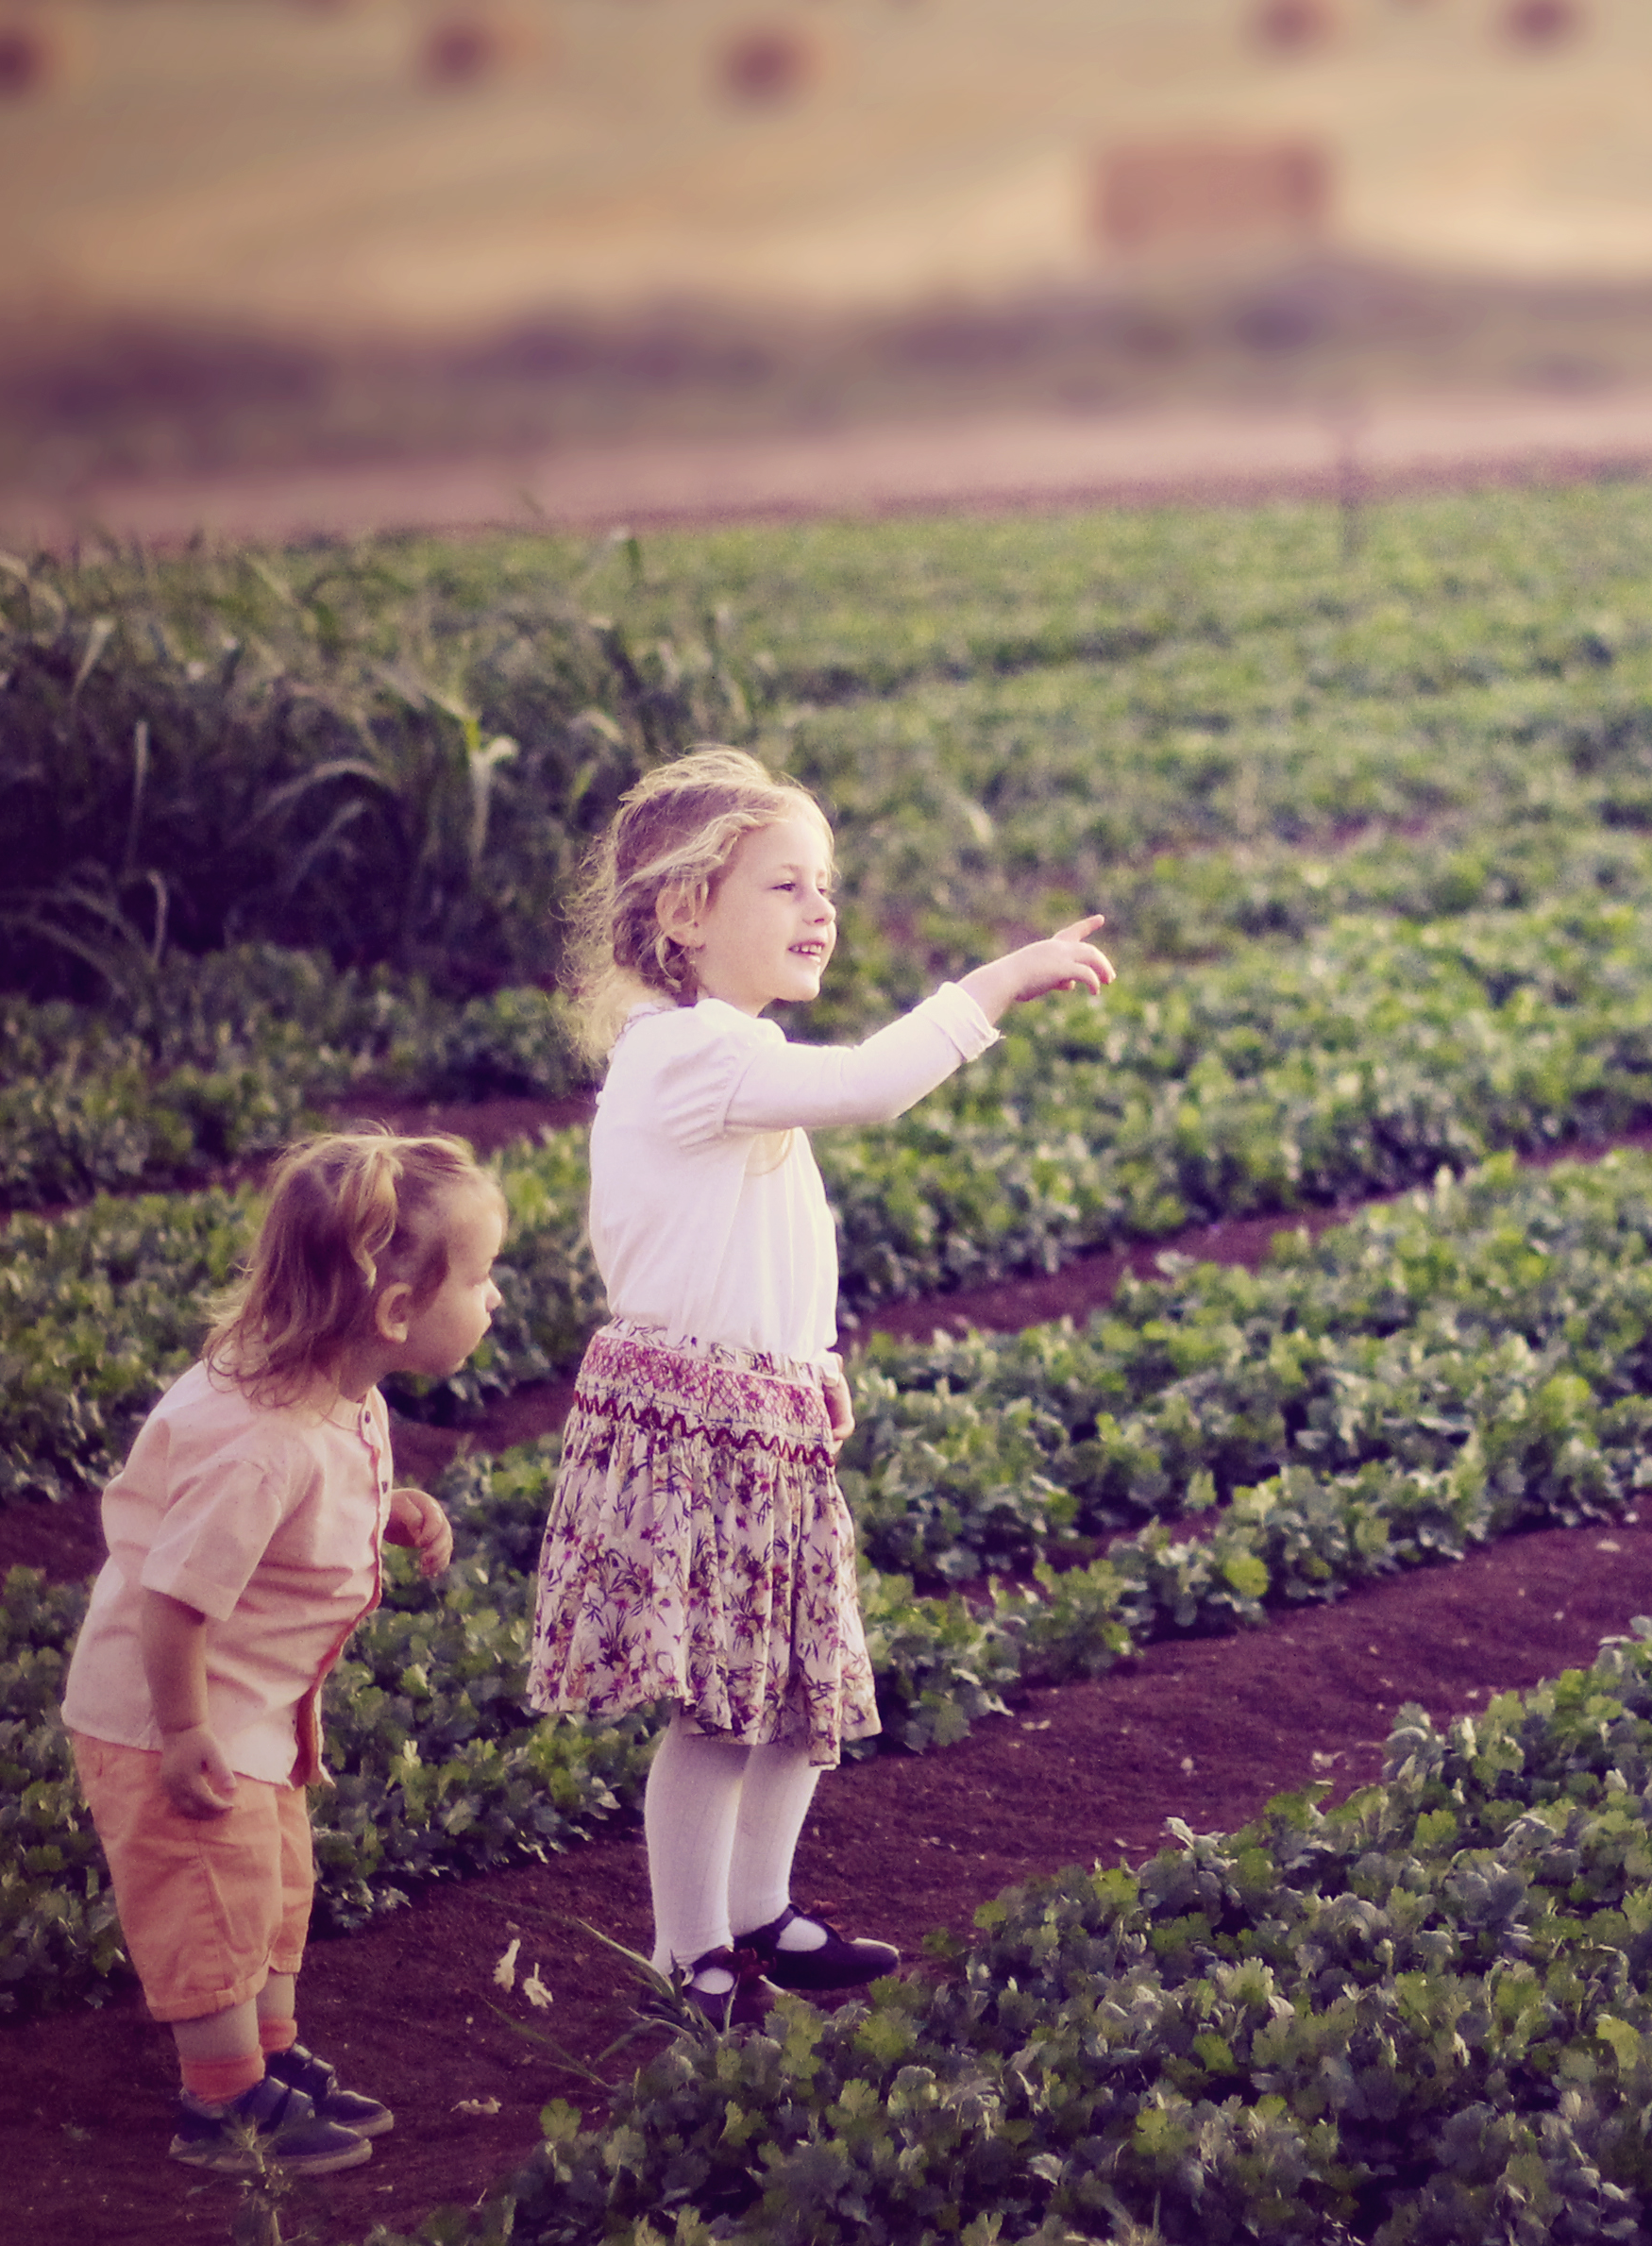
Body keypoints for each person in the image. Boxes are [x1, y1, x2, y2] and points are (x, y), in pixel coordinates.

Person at [529, 747, 1114, 2031]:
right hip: (695, 1430)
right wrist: (1001, 980)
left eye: (826, 887)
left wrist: (815, 1361)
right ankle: (695, 1955)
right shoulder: (689, 1054)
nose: (821, 911)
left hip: (767, 1418)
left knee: (797, 1693)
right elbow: (872, 1085)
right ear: (686, 914)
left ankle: (761, 1917)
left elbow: (772, 1243)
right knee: (721, 1710)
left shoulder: (735, 1053)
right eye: (785, 886)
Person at [63, 1129, 502, 2172]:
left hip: (248, 1705)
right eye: (481, 1279)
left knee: (271, 1879)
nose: (493, 1300)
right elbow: (174, 1598)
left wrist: (382, 1510)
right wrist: (180, 1733)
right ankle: (221, 2103)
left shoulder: (337, 1397)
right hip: (173, 1709)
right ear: (396, 1314)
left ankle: (269, 2052)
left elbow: (308, 1504)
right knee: (210, 1892)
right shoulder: (262, 1446)